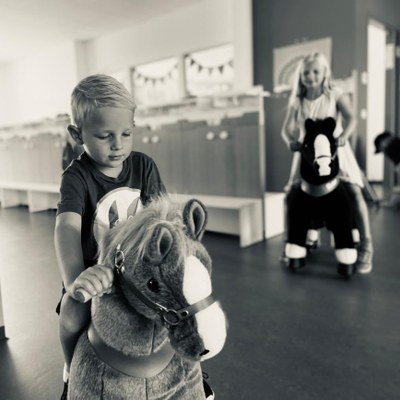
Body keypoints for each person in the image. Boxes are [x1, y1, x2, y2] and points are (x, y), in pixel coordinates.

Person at [54, 74, 167, 399]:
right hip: (94, 272)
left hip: (138, 272)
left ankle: (192, 372)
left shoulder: (143, 166)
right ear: (78, 134)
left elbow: (160, 218)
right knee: (71, 312)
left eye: (127, 133)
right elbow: (67, 228)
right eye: (105, 136)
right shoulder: (76, 177)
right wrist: (76, 281)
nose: (118, 145)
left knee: (179, 304)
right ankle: (71, 367)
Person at [280, 52, 373, 274]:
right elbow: (286, 129)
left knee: (353, 191)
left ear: (324, 73)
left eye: (315, 71)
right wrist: (291, 142)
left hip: (335, 152)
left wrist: (343, 137)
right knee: (292, 195)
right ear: (300, 77)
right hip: (307, 155)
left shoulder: (334, 95)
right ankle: (292, 240)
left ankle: (367, 244)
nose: (310, 76)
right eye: (305, 73)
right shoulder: (298, 101)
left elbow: (351, 117)